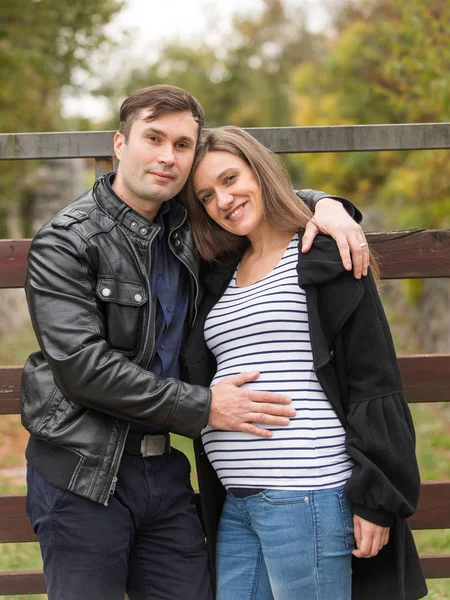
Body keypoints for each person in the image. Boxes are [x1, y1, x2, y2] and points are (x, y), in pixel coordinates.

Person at [21, 85, 368, 600]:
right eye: (153, 138)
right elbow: (83, 368)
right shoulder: (65, 242)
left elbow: (252, 197)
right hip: (83, 470)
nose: (167, 156)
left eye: (183, 144)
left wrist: (327, 205)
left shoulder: (190, 228)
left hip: (164, 471)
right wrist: (206, 406)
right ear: (120, 143)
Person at [182, 126, 428, 600]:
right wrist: (325, 200)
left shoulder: (324, 255)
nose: (224, 200)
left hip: (306, 494)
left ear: (261, 170)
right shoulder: (220, 271)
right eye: (208, 195)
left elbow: (374, 378)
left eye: (232, 179)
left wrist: (377, 500)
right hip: (237, 502)